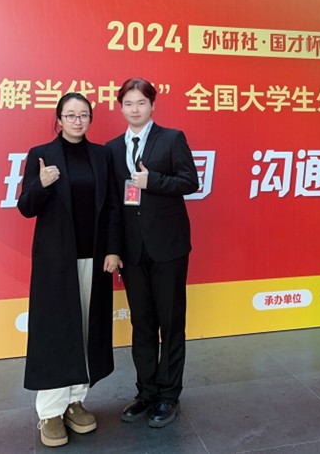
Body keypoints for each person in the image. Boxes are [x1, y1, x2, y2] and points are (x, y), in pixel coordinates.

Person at [18, 92, 122, 447]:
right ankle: (50, 412)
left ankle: (76, 400)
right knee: (55, 333)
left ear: (90, 119)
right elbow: (26, 207)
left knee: (86, 329)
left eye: (84, 115)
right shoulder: (41, 155)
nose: (78, 121)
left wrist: (113, 249)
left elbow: (112, 206)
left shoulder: (101, 155)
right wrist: (42, 184)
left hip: (94, 257)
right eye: (71, 115)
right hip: (55, 261)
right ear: (59, 119)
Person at [106, 77, 198, 428]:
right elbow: (113, 205)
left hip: (168, 248)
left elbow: (190, 181)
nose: (135, 109)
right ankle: (146, 392)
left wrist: (153, 181)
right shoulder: (112, 148)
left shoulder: (172, 138)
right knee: (142, 323)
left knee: (171, 323)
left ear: (152, 105)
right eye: (128, 104)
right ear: (120, 107)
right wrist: (114, 249)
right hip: (132, 252)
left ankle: (169, 396)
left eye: (141, 103)